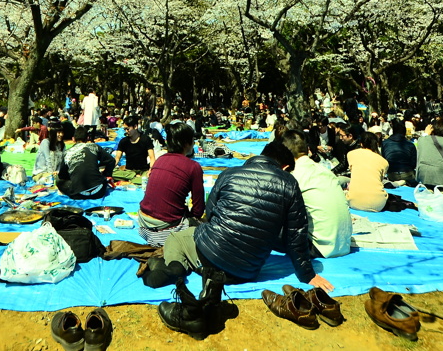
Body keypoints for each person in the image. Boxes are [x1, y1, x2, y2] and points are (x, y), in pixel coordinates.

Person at [155, 141, 332, 339]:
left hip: (210, 256)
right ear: (285, 167)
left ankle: (175, 267)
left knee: (177, 237)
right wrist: (307, 275)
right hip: (246, 271)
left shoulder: (229, 173)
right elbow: (296, 235)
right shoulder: (289, 184)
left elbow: (209, 215)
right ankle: (210, 300)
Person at [281, 130, 352, 258]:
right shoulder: (323, 170)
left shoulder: (294, 174)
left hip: (319, 247)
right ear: (307, 149)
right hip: (342, 244)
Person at [138, 123, 205, 248]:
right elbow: (198, 209)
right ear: (186, 143)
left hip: (143, 221)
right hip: (165, 226)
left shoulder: (160, 159)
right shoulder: (193, 167)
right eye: (193, 140)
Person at [56, 126, 115, 200]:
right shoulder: (94, 147)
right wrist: (106, 175)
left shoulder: (67, 153)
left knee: (58, 180)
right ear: (88, 138)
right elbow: (111, 161)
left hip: (78, 194)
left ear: (73, 139)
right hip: (99, 191)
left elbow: (62, 176)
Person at [346, 132, 390, 212]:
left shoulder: (351, 154)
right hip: (379, 204)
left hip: (353, 201)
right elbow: (379, 180)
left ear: (361, 144)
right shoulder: (384, 162)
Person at [380, 119, 417, 185]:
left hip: (391, 174)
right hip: (407, 173)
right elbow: (413, 164)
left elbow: (383, 160)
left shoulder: (384, 143)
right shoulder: (410, 145)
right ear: (404, 132)